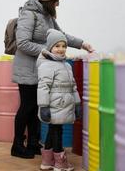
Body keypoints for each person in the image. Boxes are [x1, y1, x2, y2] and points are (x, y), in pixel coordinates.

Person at [11, 0, 94, 159]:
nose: (58, 4)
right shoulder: (29, 14)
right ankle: (17, 145)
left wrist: (82, 44)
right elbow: (23, 43)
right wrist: (47, 51)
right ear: (49, 0)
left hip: (42, 70)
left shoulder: (48, 16)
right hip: (27, 69)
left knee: (36, 108)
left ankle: (33, 143)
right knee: (27, 108)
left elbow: (61, 36)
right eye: (57, 0)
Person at [36, 29, 80, 171]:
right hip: (55, 104)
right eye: (57, 46)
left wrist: (77, 103)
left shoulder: (66, 65)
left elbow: (73, 86)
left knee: (53, 129)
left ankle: (47, 161)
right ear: (49, 47)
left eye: (64, 46)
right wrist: (43, 106)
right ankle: (60, 164)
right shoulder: (46, 65)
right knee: (57, 131)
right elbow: (43, 87)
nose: (61, 49)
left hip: (65, 103)